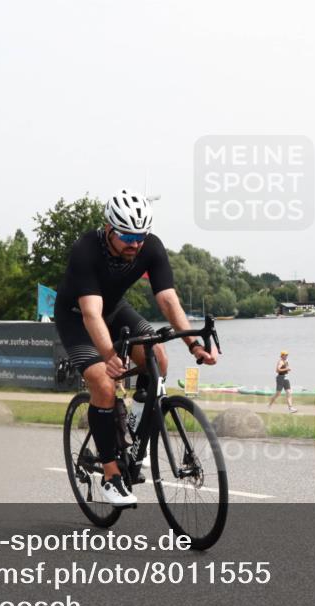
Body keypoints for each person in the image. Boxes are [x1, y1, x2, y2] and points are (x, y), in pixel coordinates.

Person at [55, 189, 216, 507]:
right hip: (77, 318)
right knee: (103, 382)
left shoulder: (151, 247)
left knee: (158, 358)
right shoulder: (86, 249)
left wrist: (194, 344)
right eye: (127, 236)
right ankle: (111, 476)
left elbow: (167, 300)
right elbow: (91, 313)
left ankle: (133, 428)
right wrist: (109, 356)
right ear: (108, 229)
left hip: (114, 310)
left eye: (140, 236)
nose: (135, 244)